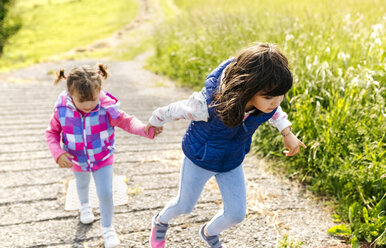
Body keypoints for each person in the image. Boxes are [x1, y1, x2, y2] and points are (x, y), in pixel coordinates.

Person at [145, 43, 306, 248]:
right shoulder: (207, 104)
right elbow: (174, 110)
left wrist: (287, 132)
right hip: (200, 159)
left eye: (280, 95)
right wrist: (155, 121)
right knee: (184, 205)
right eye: (268, 97)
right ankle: (160, 221)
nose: (276, 101)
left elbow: (275, 112)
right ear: (247, 89)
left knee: (236, 214)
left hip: (231, 160)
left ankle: (208, 233)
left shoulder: (266, 104)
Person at [45, 64, 162, 248]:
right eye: (82, 100)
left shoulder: (106, 108)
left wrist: (146, 130)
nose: (88, 104)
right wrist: (58, 153)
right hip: (77, 159)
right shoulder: (62, 110)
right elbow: (51, 133)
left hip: (102, 157)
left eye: (93, 99)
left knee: (106, 193)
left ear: (99, 91)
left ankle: (108, 229)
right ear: (70, 94)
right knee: (81, 185)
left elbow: (127, 121)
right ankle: (84, 205)